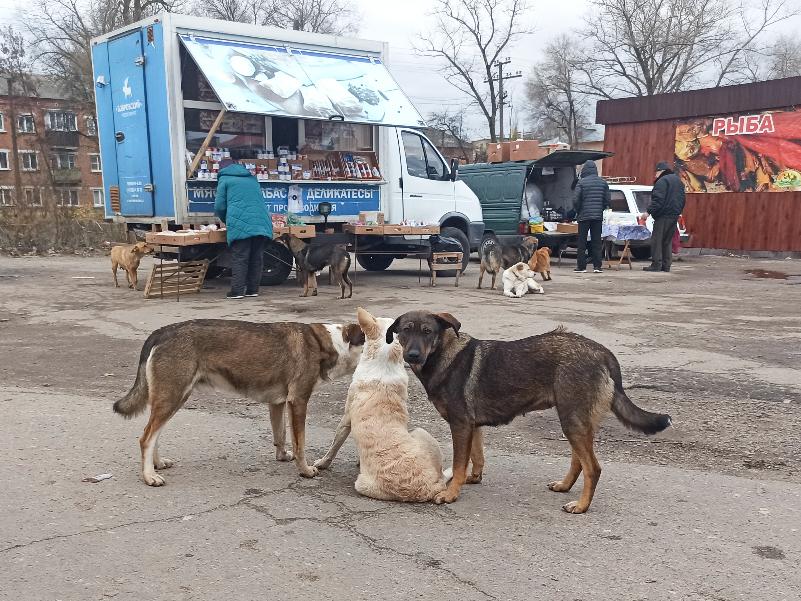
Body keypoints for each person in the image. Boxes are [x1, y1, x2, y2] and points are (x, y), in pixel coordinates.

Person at [214, 159, 273, 299]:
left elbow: (219, 207)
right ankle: (253, 290)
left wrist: (226, 220)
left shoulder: (225, 180)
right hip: (261, 223)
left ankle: (237, 291)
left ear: (222, 169)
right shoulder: (252, 179)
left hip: (241, 224)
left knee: (240, 258)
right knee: (256, 258)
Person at [641, 161, 686, 272]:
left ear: (660, 171)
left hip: (663, 216)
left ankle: (656, 265)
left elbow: (658, 200)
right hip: (674, 215)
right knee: (667, 241)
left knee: (657, 240)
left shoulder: (662, 181)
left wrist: (648, 212)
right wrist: (677, 212)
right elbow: (683, 199)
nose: (655, 174)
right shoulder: (678, 181)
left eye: (656, 172)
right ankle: (666, 265)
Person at [572, 160, 610, 273]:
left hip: (583, 217)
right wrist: (600, 209)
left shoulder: (581, 182)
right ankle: (597, 266)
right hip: (597, 217)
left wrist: (578, 210)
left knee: (582, 242)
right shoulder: (603, 183)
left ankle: (581, 267)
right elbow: (607, 200)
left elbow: (575, 199)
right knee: (597, 242)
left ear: (585, 170)